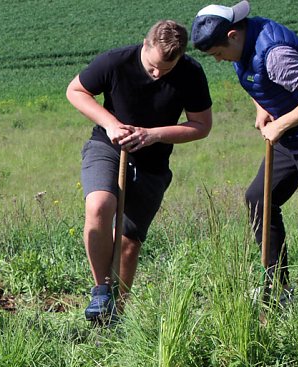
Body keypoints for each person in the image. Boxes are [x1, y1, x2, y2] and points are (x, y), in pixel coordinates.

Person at [191, 1, 298, 313]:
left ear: (231, 35)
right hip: (292, 133)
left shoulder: (275, 55)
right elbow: (257, 81)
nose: (217, 60)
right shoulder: (241, 44)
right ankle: (279, 288)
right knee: (259, 199)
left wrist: (280, 123)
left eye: (216, 53)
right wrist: (263, 107)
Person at [67, 20, 213, 322]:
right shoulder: (116, 61)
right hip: (108, 145)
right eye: (153, 67)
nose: (158, 74)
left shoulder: (191, 73)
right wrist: (111, 125)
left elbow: (201, 126)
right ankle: (101, 292)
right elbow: (76, 91)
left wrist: (154, 134)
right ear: (144, 46)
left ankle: (115, 315)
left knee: (129, 242)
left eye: (166, 70)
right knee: (99, 204)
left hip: (153, 161)